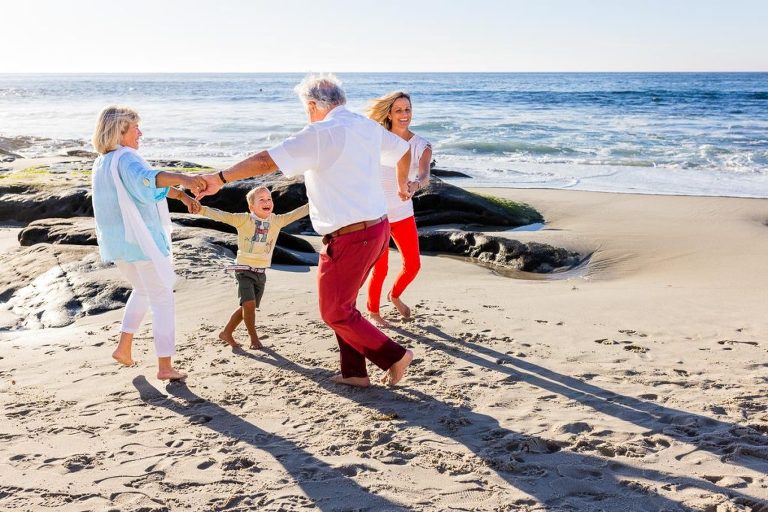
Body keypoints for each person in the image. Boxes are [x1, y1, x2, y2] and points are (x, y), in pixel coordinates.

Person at [196, 74, 414, 387]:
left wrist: (220, 177)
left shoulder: (321, 133)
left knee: (334, 312)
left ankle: (394, 356)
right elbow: (402, 151)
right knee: (345, 305)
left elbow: (265, 160)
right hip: (377, 228)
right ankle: (354, 373)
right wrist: (402, 183)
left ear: (312, 105)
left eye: (306, 109)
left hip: (352, 235)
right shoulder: (364, 125)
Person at [91, 105, 206, 381]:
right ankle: (165, 367)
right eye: (135, 128)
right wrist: (186, 178)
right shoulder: (128, 158)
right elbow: (150, 179)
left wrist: (182, 197)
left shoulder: (102, 163)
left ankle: (124, 348)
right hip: (139, 242)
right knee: (163, 297)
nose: (140, 133)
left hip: (119, 245)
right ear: (120, 130)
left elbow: (147, 187)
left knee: (142, 290)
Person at [189, 186, 308, 349]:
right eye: (262, 200)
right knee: (249, 306)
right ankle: (254, 339)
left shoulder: (276, 221)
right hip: (243, 270)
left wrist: (317, 201)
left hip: (261, 273)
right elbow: (222, 216)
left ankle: (226, 333)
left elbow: (297, 213)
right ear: (251, 206)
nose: (267, 202)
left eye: (269, 199)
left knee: (246, 307)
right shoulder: (244, 219)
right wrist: (201, 210)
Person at [365, 91, 432, 326]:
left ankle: (394, 295)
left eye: (408, 110)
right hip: (377, 213)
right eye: (399, 110)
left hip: (403, 212)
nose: (405, 115)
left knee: (413, 265)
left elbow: (424, 175)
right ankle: (373, 312)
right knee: (380, 268)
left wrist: (415, 184)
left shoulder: (421, 145)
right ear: (390, 114)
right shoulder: (378, 138)